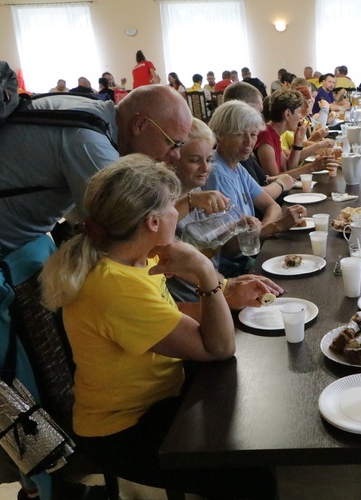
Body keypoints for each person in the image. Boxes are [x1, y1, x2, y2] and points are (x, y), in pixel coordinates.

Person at [38, 155, 276, 499]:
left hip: (164, 393)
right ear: (152, 221)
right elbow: (218, 347)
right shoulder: (114, 285)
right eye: (171, 206)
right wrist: (206, 274)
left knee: (247, 410)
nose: (177, 213)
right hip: (124, 428)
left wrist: (228, 293)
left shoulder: (136, 255)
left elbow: (163, 314)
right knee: (251, 476)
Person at [0, 84, 192, 266]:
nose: (175, 155)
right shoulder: (90, 142)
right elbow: (133, 233)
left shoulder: (91, 110)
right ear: (140, 125)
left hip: (11, 243)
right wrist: (209, 278)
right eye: (172, 143)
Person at [165, 118, 284, 303]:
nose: (206, 168)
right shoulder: (166, 201)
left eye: (209, 160)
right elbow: (179, 257)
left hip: (217, 289)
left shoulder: (197, 190)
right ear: (172, 160)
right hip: (194, 303)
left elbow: (217, 249)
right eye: (195, 160)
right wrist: (227, 287)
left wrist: (238, 228)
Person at [204, 101, 320, 276]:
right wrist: (274, 228)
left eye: (253, 134)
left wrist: (261, 232)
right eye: (239, 134)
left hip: (250, 255)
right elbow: (229, 246)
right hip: (234, 271)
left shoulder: (237, 166)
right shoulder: (217, 174)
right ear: (219, 134)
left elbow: (272, 206)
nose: (248, 142)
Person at [254, 89, 330, 179]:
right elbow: (274, 179)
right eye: (298, 112)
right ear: (287, 114)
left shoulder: (273, 134)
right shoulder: (265, 137)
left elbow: (288, 167)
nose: (301, 117)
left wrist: (297, 143)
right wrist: (312, 167)